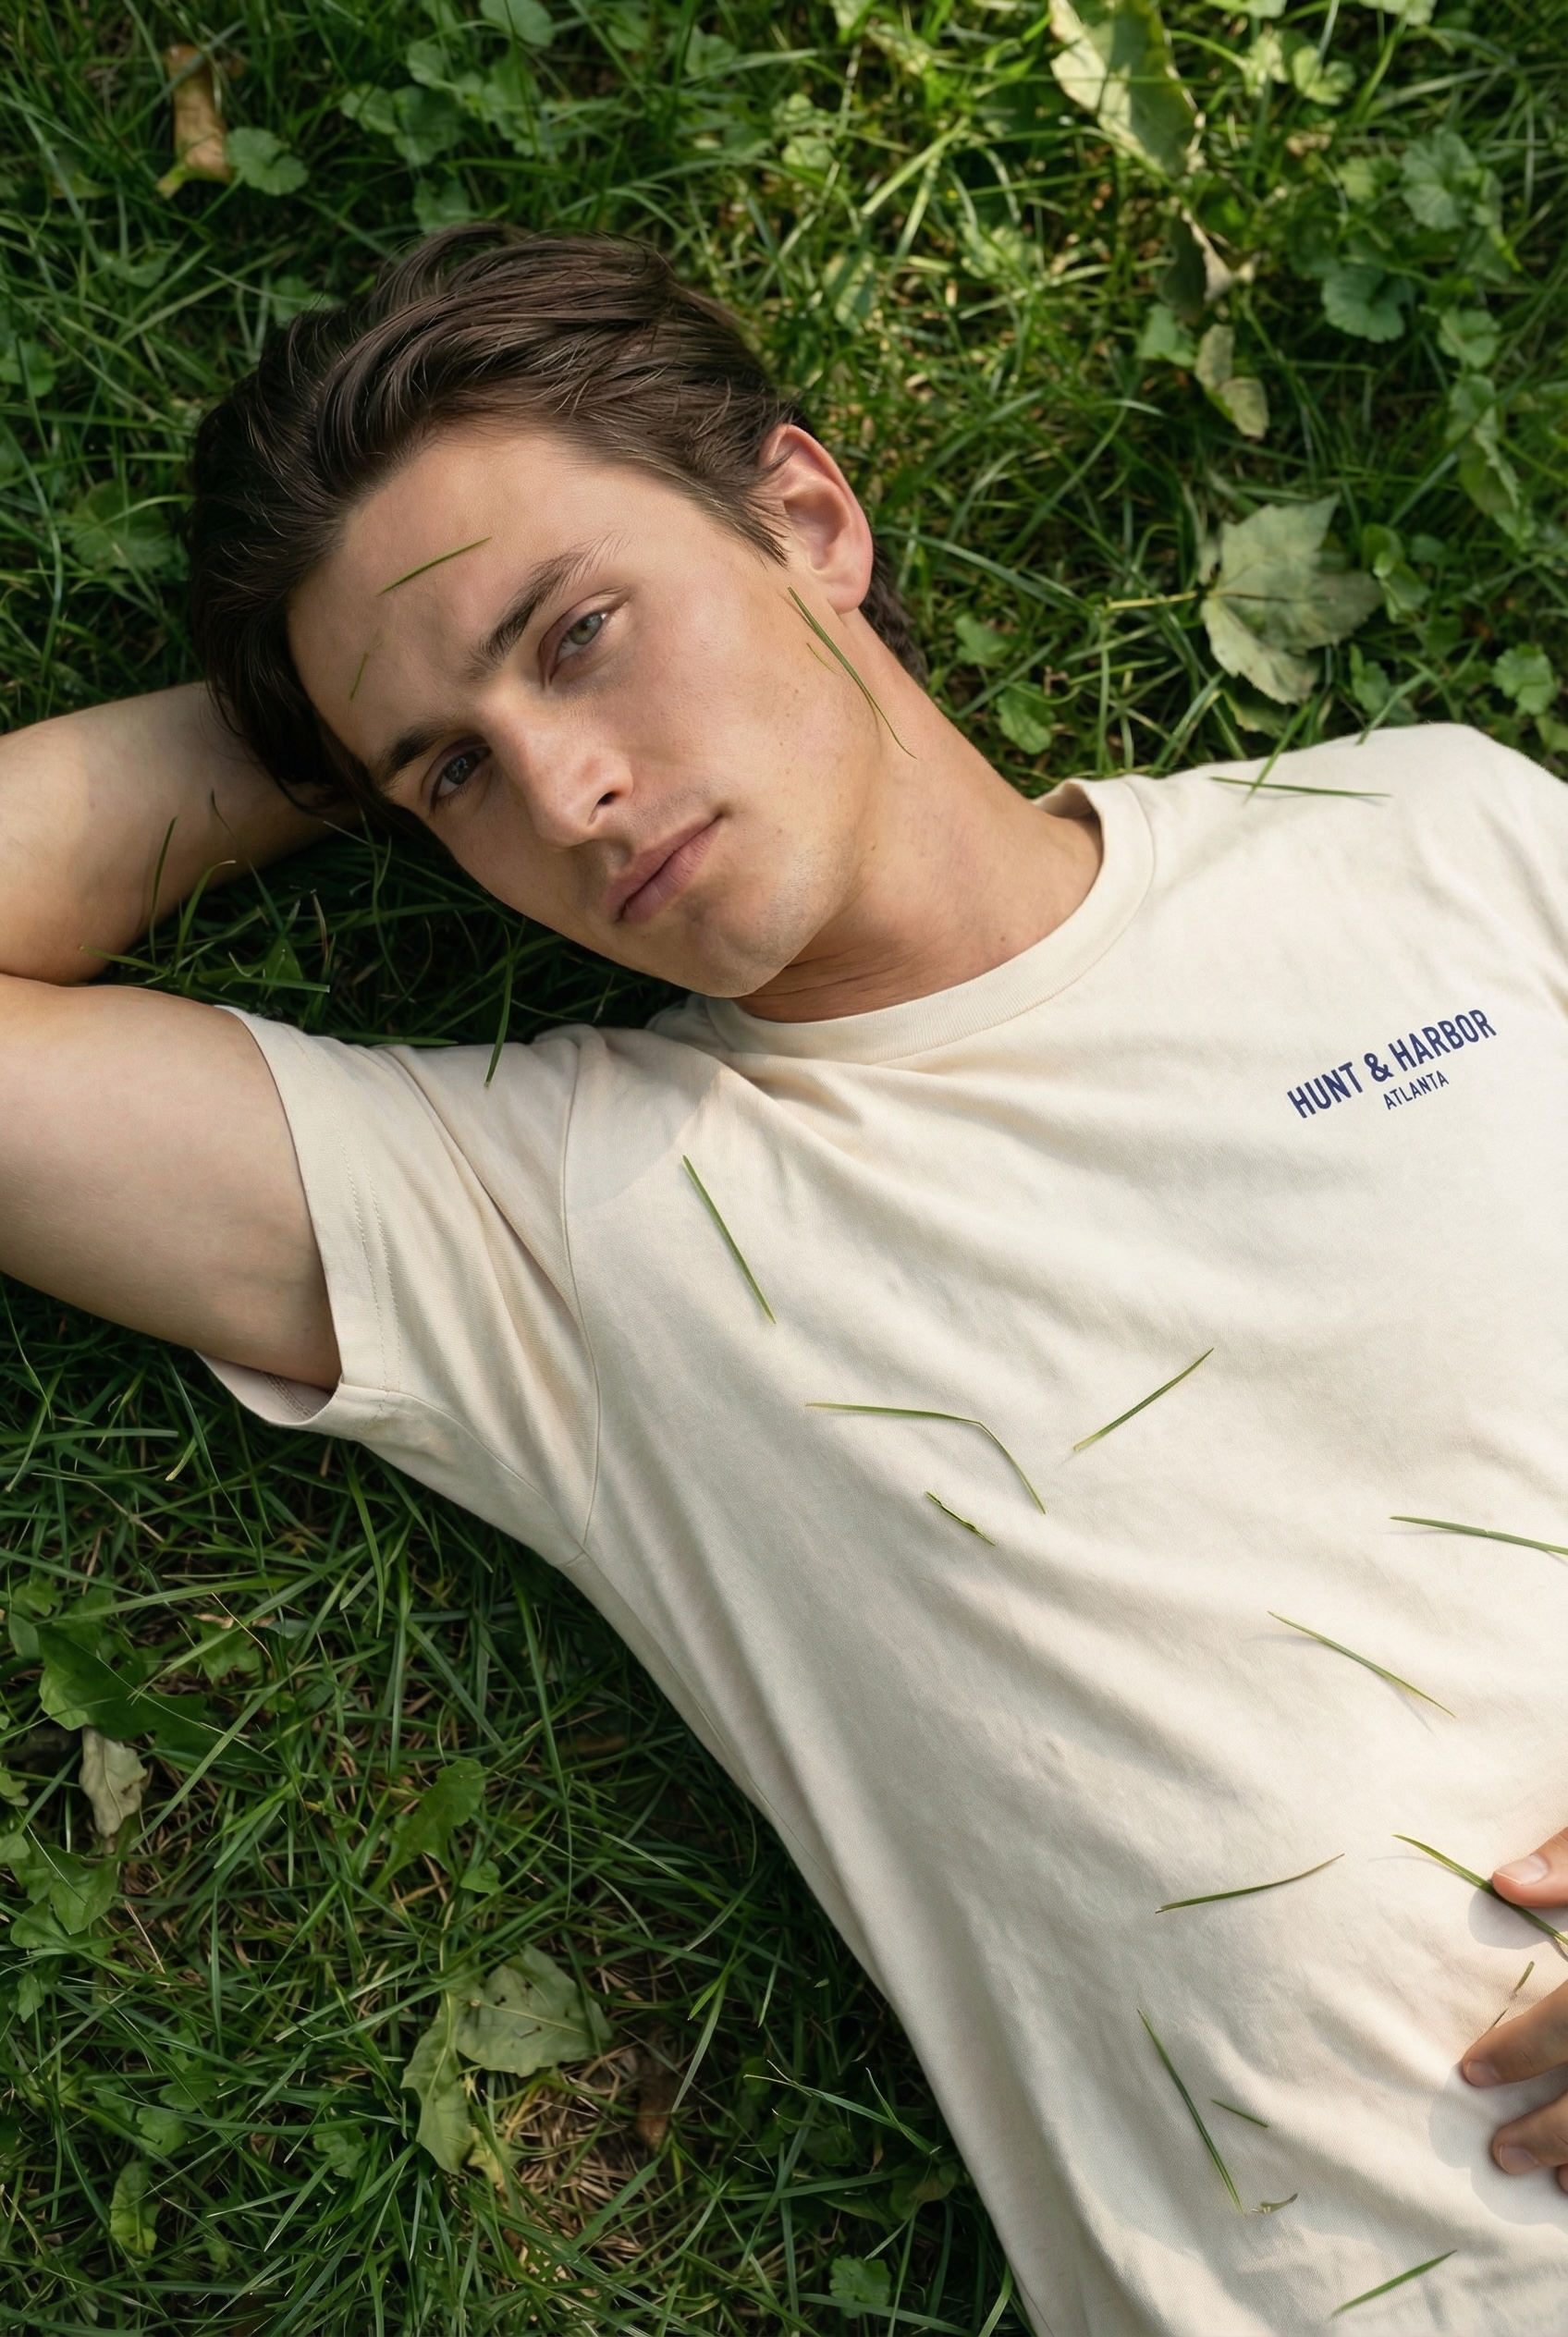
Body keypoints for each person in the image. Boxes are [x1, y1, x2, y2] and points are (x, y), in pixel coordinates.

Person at [3, 225, 1567, 2335]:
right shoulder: (550, 1223)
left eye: (576, 635)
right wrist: (312, 730)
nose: (559, 793)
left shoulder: (1429, 840)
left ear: (806, 520)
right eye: (448, 774)